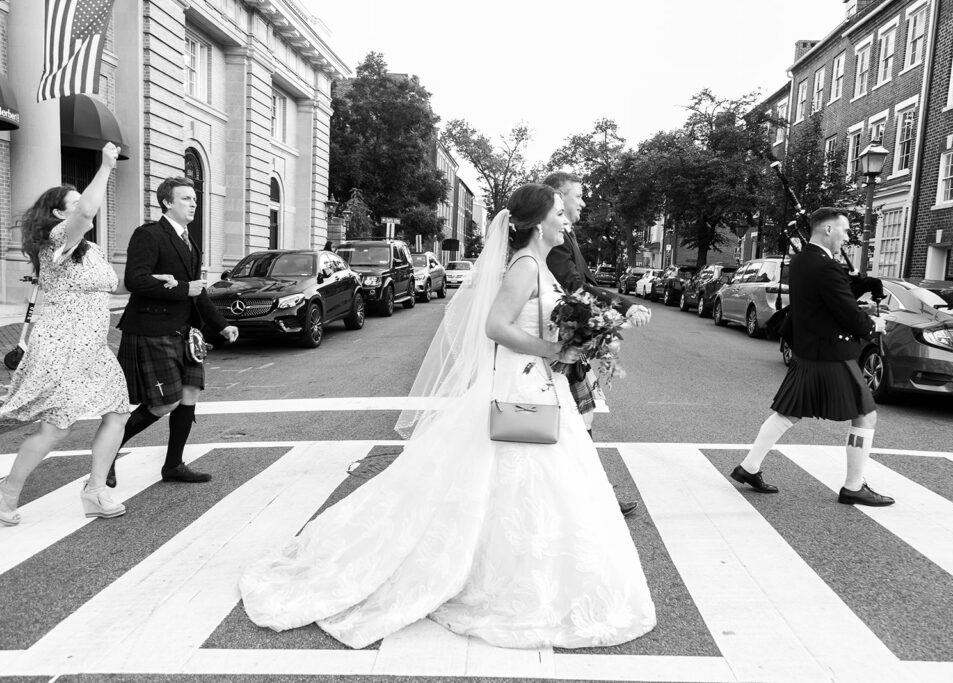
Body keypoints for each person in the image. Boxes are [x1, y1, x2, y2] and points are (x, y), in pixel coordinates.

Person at [238, 183, 656, 649]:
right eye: (562, 213)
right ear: (539, 224)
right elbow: (495, 327)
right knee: (517, 472)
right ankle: (497, 573)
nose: (569, 221)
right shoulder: (524, 266)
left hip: (539, 381)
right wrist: (554, 348)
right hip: (522, 384)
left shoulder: (537, 263)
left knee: (525, 478)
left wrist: (579, 339)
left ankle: (515, 564)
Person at [0, 143, 174, 525]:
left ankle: (96, 489)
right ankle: (6, 493)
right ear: (60, 214)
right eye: (74, 202)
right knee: (55, 429)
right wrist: (106, 166)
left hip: (93, 347)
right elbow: (88, 210)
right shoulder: (57, 242)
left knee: (116, 413)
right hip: (62, 347)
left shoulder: (89, 249)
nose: (83, 206)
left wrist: (155, 279)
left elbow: (103, 286)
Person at [730, 207, 894, 506]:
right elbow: (845, 312)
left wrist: (858, 290)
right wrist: (874, 324)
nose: (847, 237)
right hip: (831, 353)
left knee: (787, 413)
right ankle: (854, 486)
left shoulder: (803, 259)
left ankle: (748, 468)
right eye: (844, 231)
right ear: (828, 230)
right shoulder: (826, 265)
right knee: (865, 415)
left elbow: (827, 300)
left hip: (809, 351)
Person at [106, 177, 238, 488]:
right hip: (152, 329)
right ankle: (106, 454)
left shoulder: (190, 242)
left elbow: (198, 292)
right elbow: (135, 280)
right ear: (167, 202)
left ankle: (173, 465)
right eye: (186, 199)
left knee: (189, 394)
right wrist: (181, 287)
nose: (193, 204)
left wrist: (221, 324)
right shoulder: (149, 235)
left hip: (183, 332)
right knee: (164, 402)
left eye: (194, 199)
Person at [543, 171, 649, 517]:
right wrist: (622, 306)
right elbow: (574, 286)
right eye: (578, 195)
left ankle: (591, 493)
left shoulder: (563, 237)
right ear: (558, 197)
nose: (584, 202)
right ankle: (590, 496)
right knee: (574, 422)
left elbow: (579, 285)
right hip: (554, 345)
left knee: (581, 419)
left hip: (568, 342)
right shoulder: (553, 242)